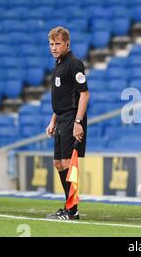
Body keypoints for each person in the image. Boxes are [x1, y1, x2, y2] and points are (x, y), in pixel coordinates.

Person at [45, 27, 89, 220]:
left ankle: (73, 210)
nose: (54, 48)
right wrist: (52, 120)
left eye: (58, 44)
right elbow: (60, 97)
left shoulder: (74, 64)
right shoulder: (58, 65)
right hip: (61, 118)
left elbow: (84, 94)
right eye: (51, 44)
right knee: (58, 163)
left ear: (67, 44)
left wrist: (78, 122)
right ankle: (69, 205)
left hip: (72, 118)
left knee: (67, 163)